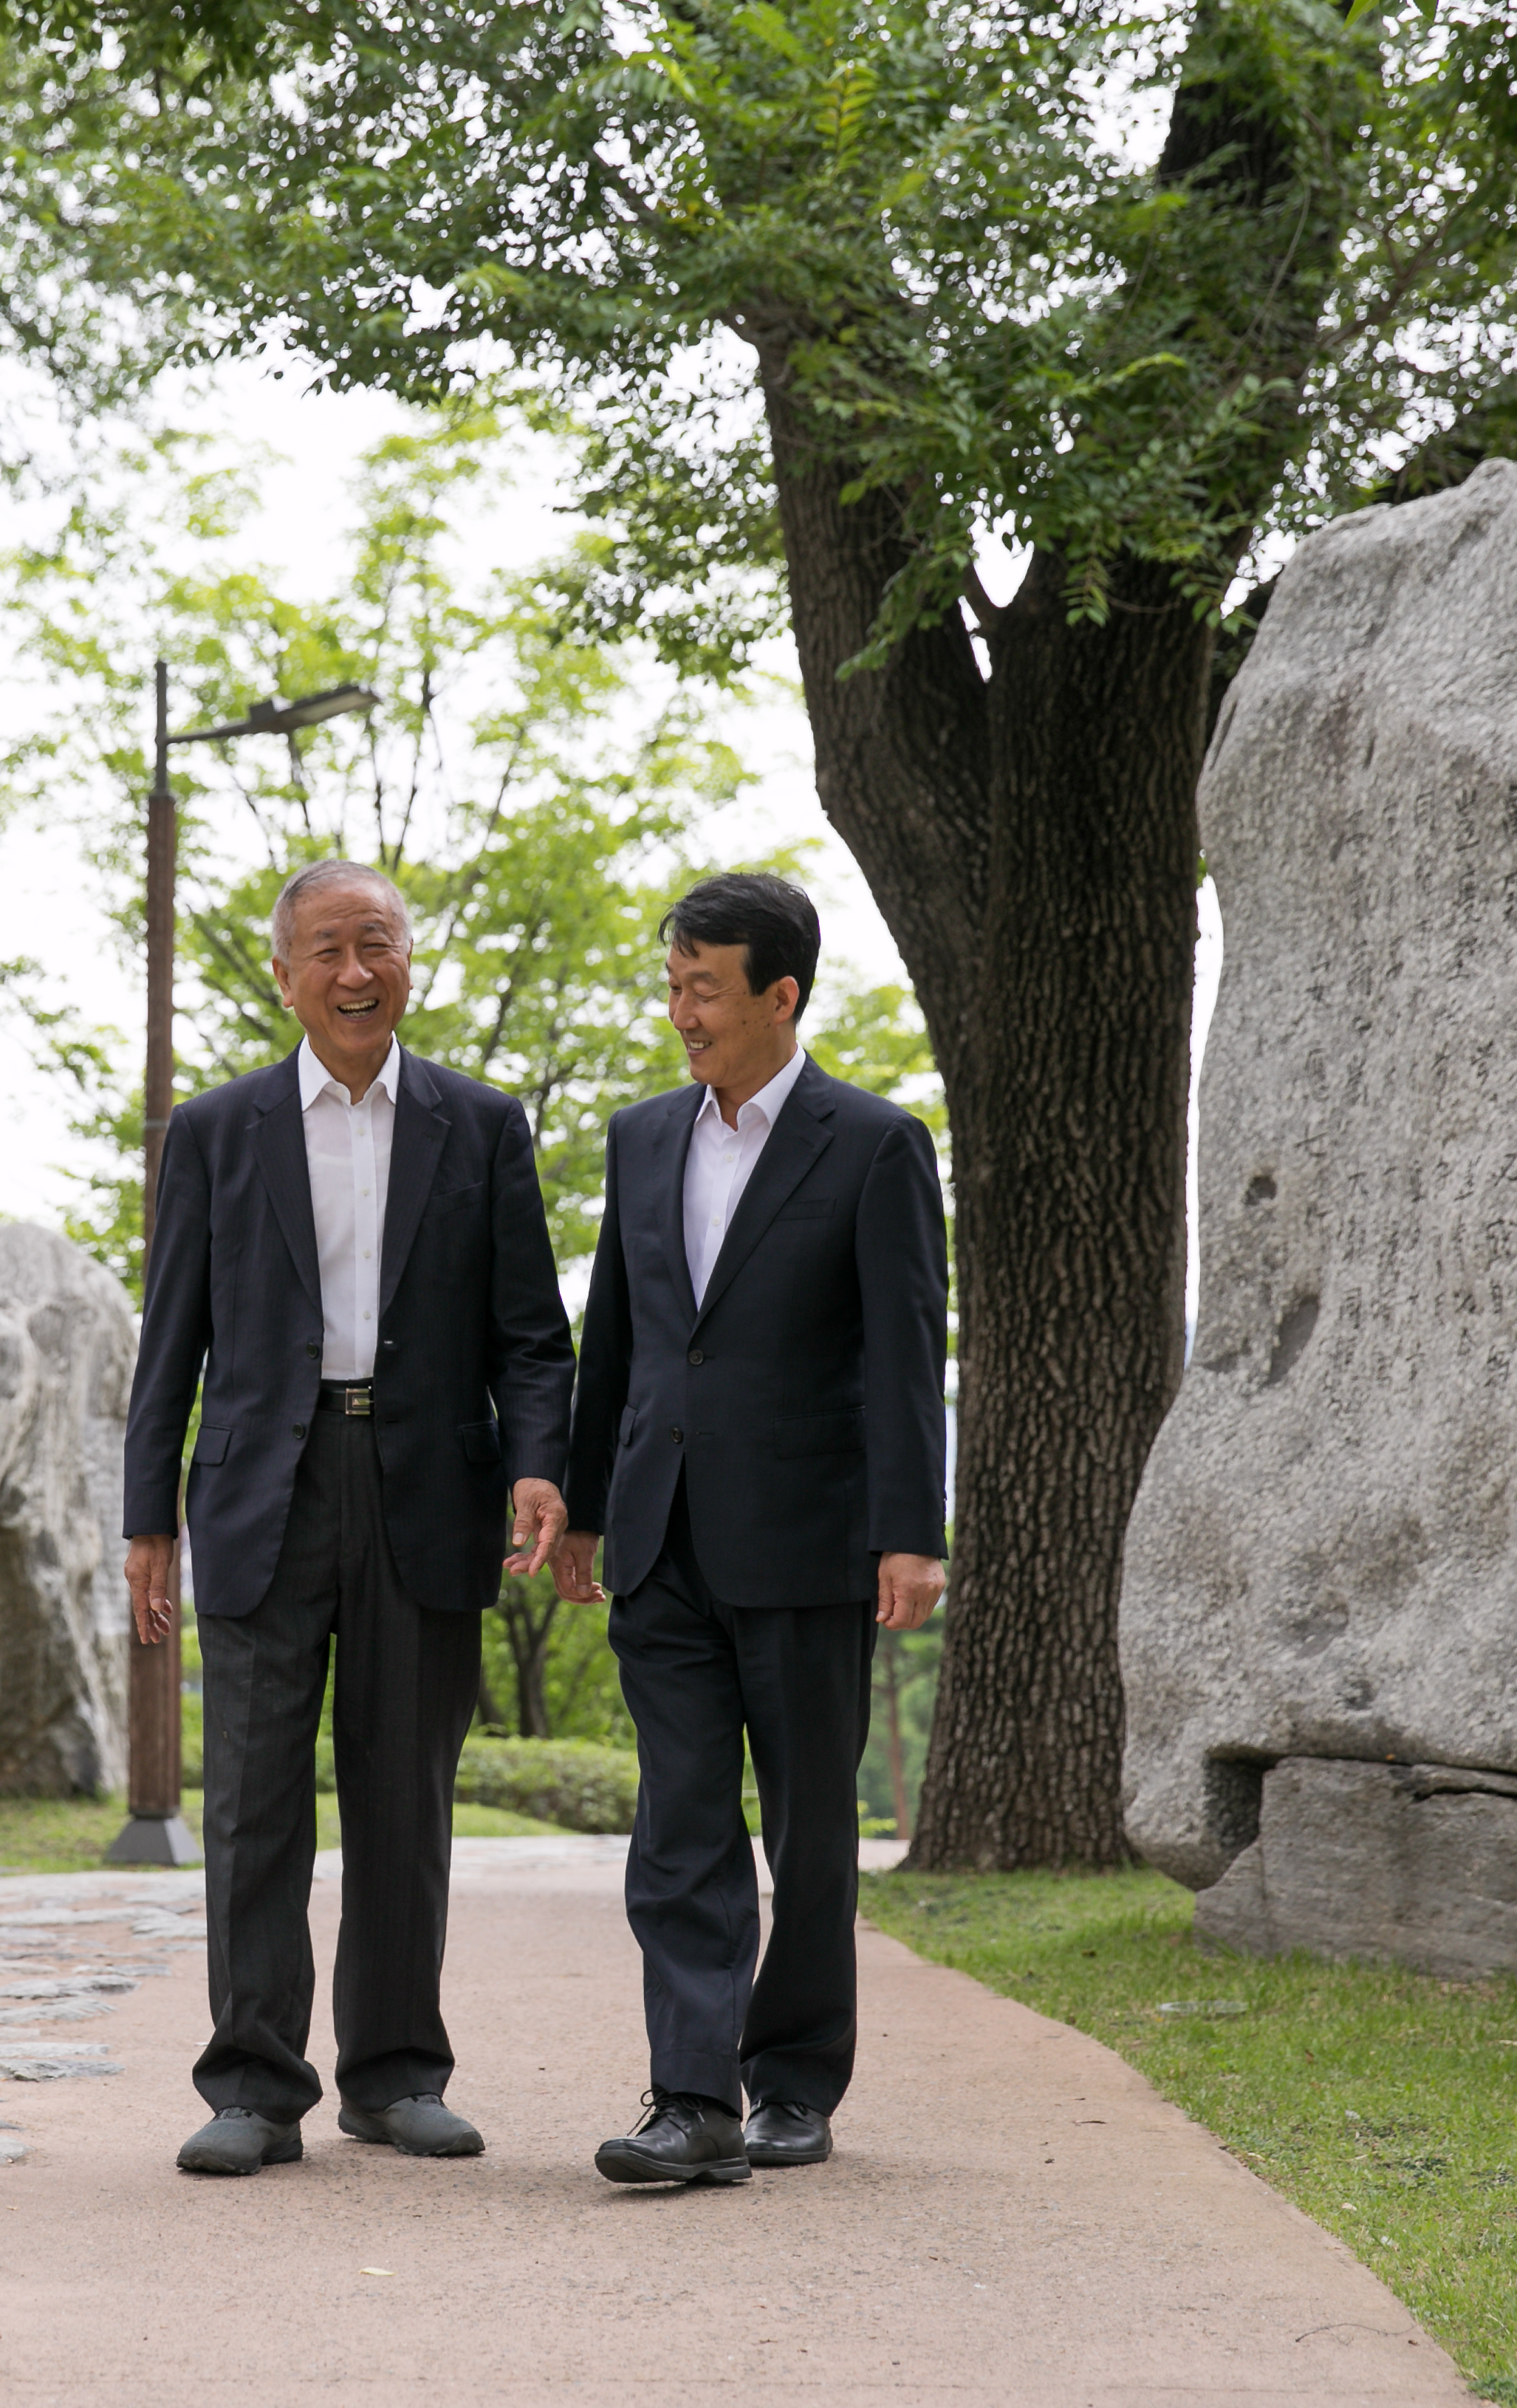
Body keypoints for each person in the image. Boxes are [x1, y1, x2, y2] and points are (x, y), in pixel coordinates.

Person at [125, 858, 576, 2177]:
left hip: (428, 1485)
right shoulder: (218, 1130)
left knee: (403, 1792)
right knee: (254, 1797)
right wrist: (149, 1515)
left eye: (374, 943)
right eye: (324, 949)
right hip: (266, 1487)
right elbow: (172, 1342)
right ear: (283, 976)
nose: (353, 971)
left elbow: (531, 1336)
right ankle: (254, 2087)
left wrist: (538, 1465)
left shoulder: (482, 1124)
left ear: (408, 961)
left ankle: (394, 2073)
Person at [554, 870, 950, 2186]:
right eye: (670, 984)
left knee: (805, 1829)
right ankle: (690, 2096)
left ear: (781, 994)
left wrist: (910, 1530)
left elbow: (902, 1351)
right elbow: (614, 1335)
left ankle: (791, 2079)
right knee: (678, 1822)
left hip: (807, 1538)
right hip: (660, 1537)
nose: (680, 1011)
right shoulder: (642, 1135)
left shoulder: (875, 1143)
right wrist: (580, 1502)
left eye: (702, 988)